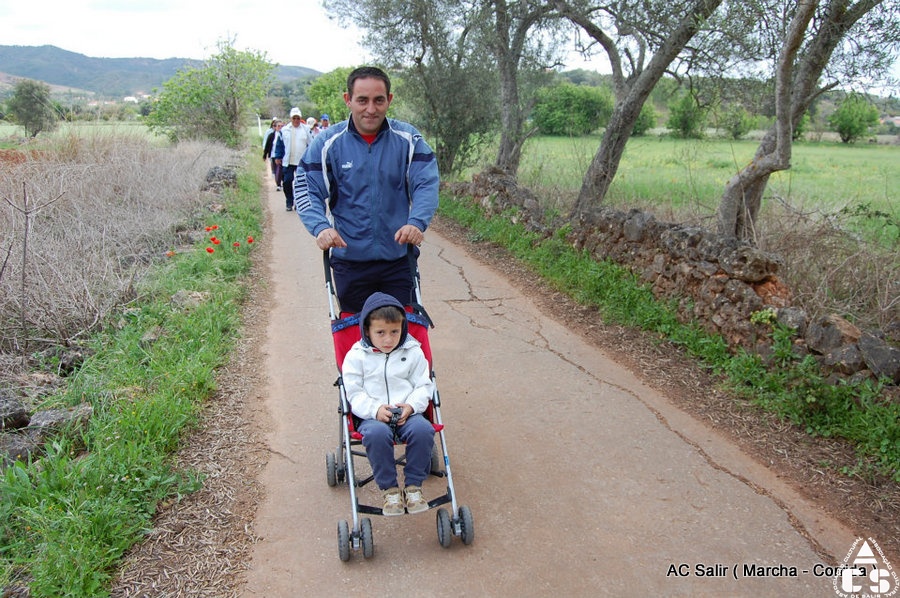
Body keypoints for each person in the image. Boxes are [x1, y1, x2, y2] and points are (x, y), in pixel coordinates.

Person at [295, 66, 440, 313]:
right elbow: (306, 186)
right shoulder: (327, 143)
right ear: (348, 100)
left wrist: (416, 222)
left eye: (378, 100)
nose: (371, 109)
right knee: (356, 342)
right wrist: (320, 227)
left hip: (398, 261)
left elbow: (426, 183)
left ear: (389, 100)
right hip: (349, 263)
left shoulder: (409, 139)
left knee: (401, 339)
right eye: (362, 100)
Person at [341, 292, 435, 515]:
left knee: (424, 430)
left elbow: (423, 385)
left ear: (403, 329)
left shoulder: (413, 352)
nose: (388, 339)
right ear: (367, 331)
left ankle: (413, 486)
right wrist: (374, 409)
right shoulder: (356, 356)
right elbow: (354, 392)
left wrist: (411, 406)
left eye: (395, 332)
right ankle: (390, 490)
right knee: (375, 435)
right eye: (380, 332)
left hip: (408, 413)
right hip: (372, 416)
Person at [280, 107, 312, 211]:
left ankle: (299, 203)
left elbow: (311, 144)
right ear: (291, 119)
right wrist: (277, 156)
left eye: (298, 118)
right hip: (288, 161)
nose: (296, 120)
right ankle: (289, 201)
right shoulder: (285, 130)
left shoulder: (305, 129)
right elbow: (280, 145)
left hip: (301, 161)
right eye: (294, 118)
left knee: (300, 183)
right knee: (287, 181)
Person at [262, 119, 283, 190]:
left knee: (279, 169)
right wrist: (265, 155)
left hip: (281, 155)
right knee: (275, 170)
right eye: (278, 126)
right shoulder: (271, 135)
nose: (280, 127)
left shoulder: (284, 135)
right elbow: (267, 145)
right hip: (273, 155)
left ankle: (279, 184)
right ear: (275, 127)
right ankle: (278, 182)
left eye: (281, 126)